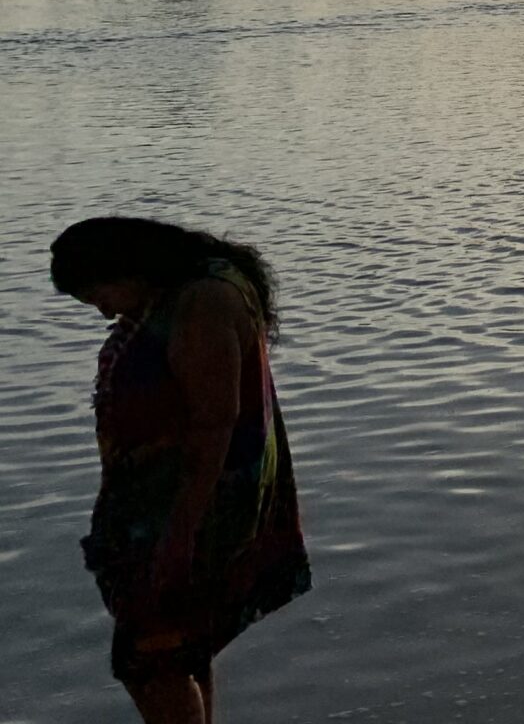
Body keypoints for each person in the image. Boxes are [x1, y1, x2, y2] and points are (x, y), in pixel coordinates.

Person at [49, 217, 310, 724]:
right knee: (183, 647)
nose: (103, 311)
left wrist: (179, 533)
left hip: (192, 508)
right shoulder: (185, 290)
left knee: (148, 660)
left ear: (125, 267)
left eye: (100, 295)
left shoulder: (203, 302)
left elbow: (215, 423)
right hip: (177, 503)